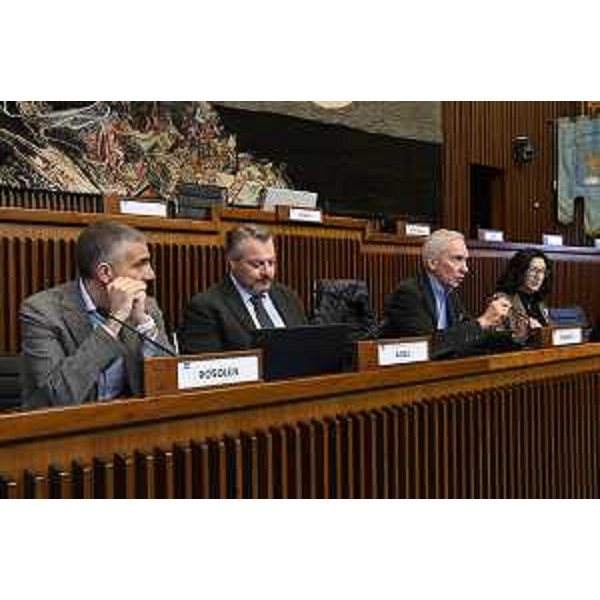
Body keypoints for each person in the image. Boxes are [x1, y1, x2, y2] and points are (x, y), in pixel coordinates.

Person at [20, 221, 173, 408]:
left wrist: (145, 324)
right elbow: (55, 398)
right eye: (140, 264)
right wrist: (114, 322)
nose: (151, 275)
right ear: (105, 273)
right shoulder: (42, 312)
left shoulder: (146, 307)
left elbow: (173, 385)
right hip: (69, 423)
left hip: (131, 420)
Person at [381, 229, 512, 358]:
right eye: (458, 259)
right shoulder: (409, 293)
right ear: (433, 263)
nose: (465, 269)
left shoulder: (449, 292)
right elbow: (427, 347)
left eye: (465, 260)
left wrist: (515, 335)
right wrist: (484, 321)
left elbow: (467, 336)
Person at [179, 224, 307, 354]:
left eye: (271, 262)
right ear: (232, 262)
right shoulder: (206, 308)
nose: (267, 272)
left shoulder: (288, 298)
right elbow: (206, 363)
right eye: (257, 265)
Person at [494, 248, 552, 342]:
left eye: (542, 271)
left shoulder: (539, 302)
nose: (538, 277)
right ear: (520, 271)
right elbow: (495, 339)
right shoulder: (501, 300)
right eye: (533, 270)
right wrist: (528, 332)